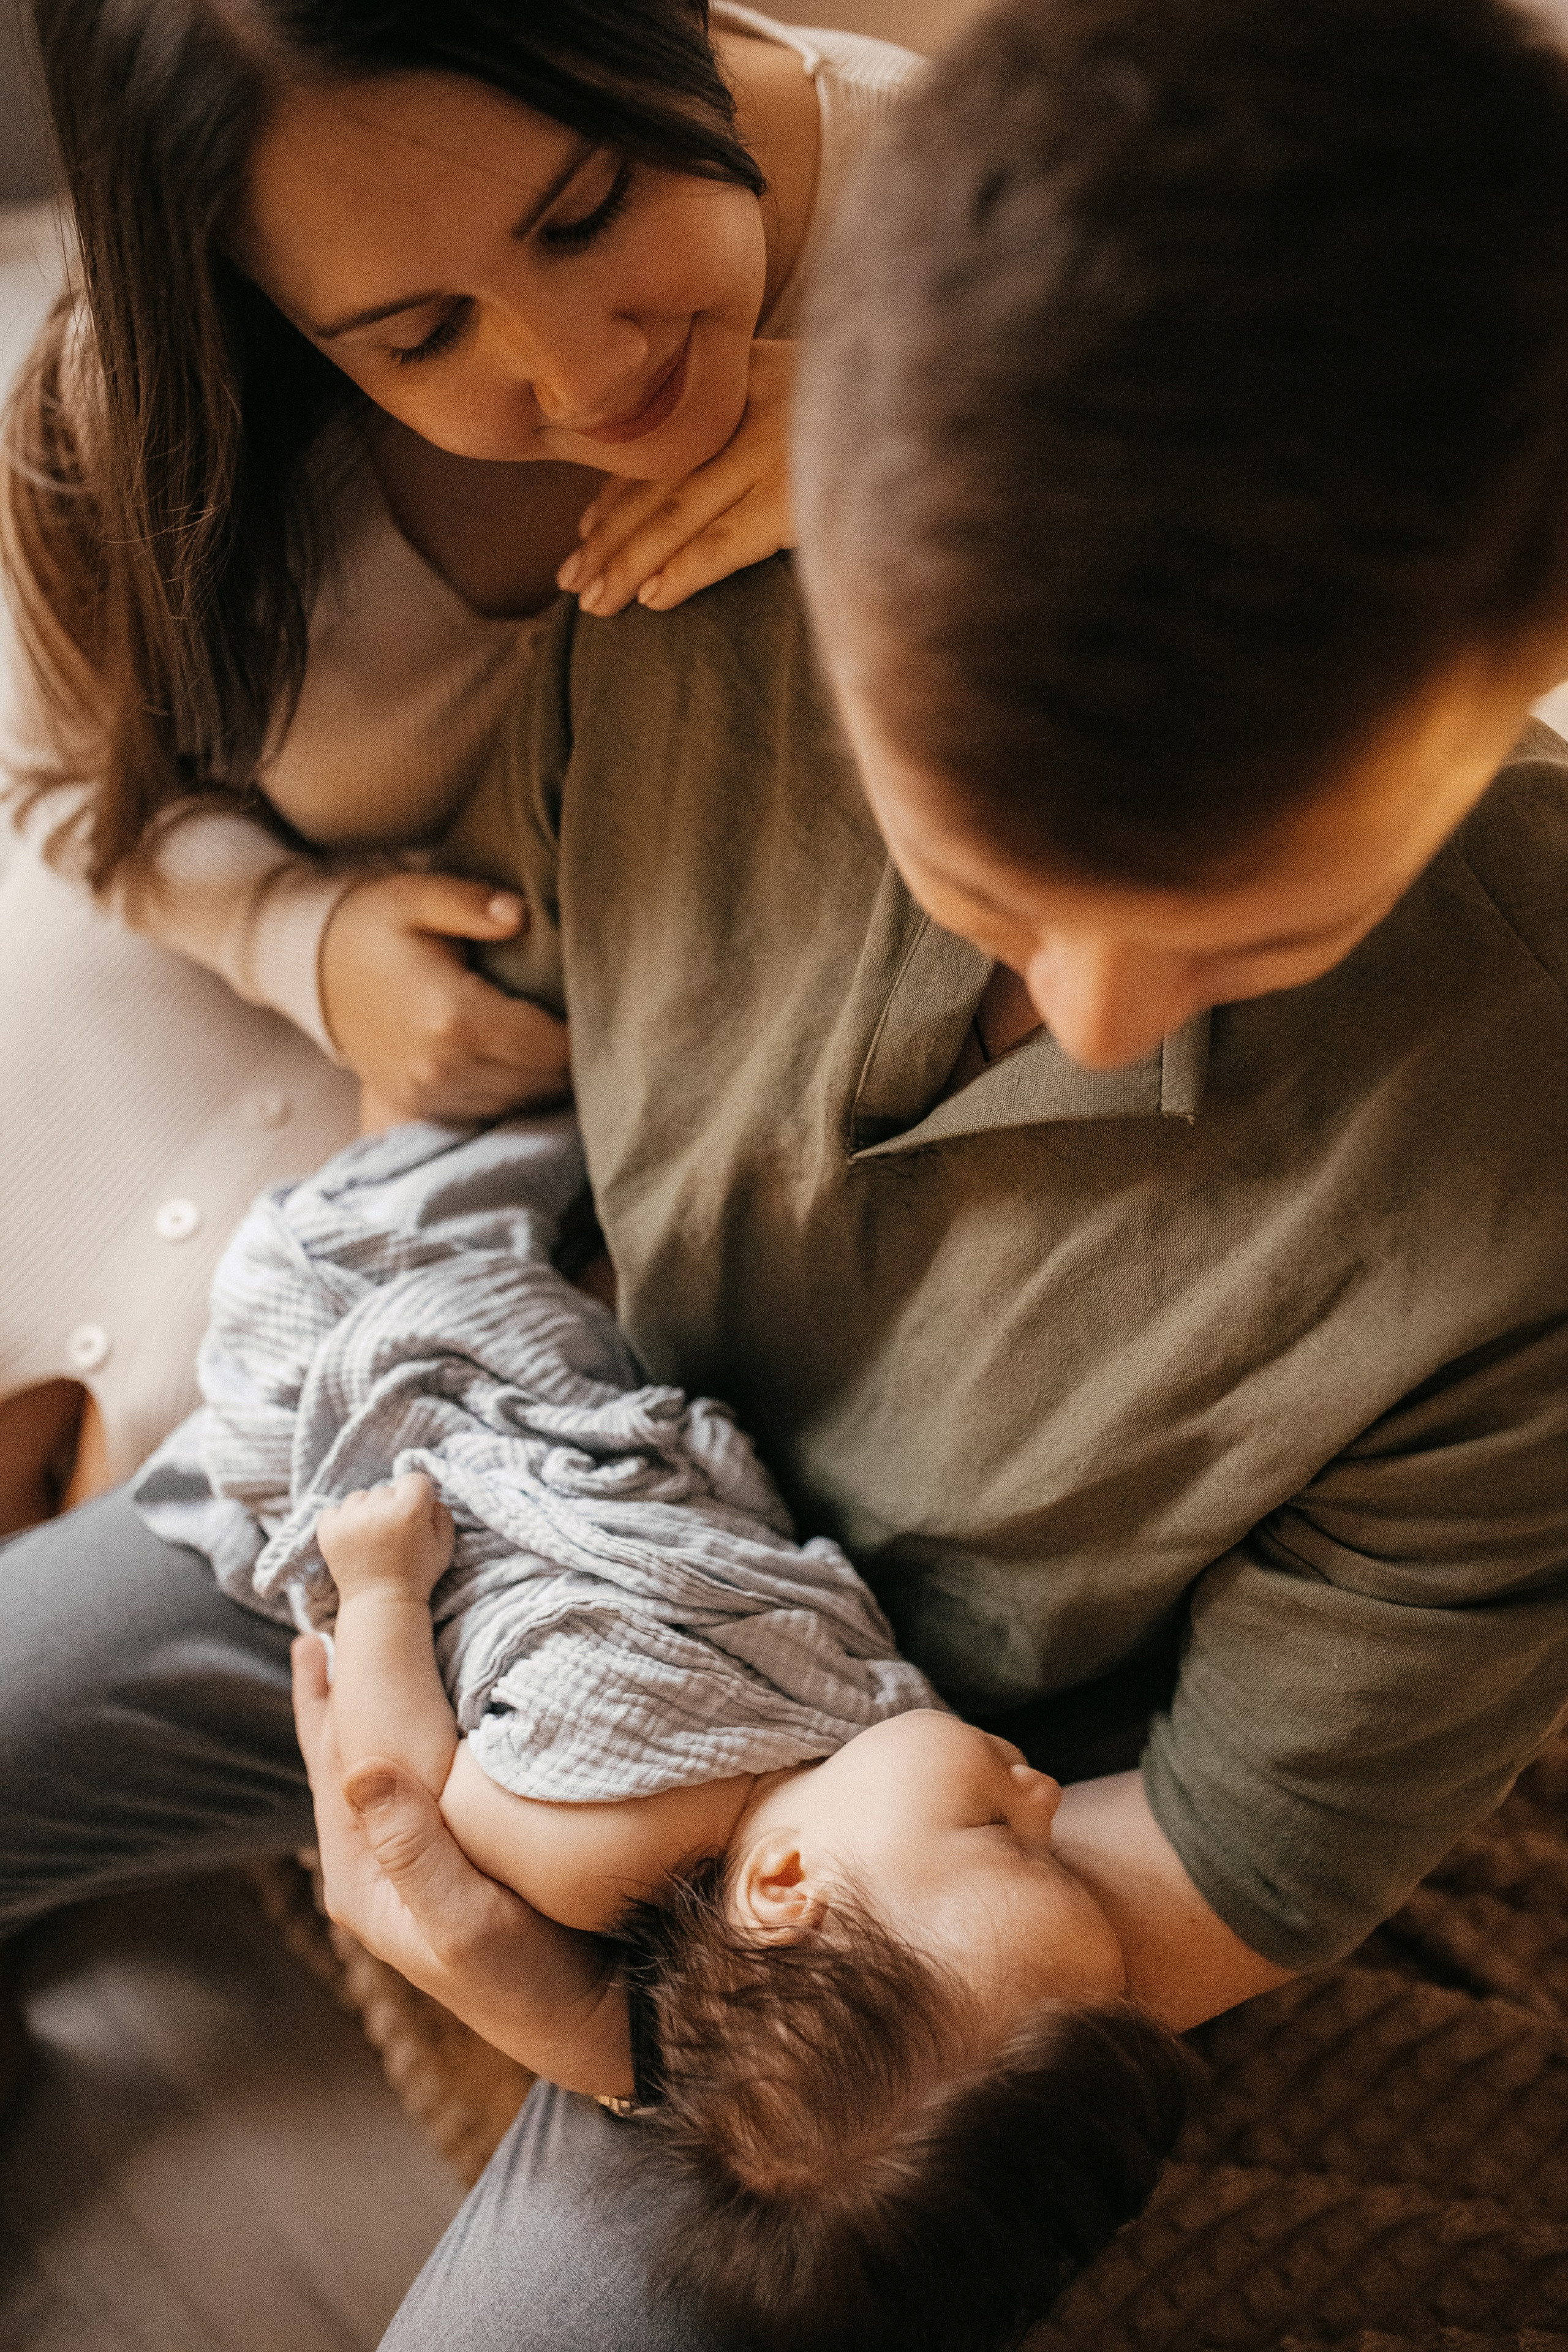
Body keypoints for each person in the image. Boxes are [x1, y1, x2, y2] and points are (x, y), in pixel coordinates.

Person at [6, 0, 1568, 2345]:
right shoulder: (694, 568)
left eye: (1265, 911)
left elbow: (1203, 1878)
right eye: (990, 869)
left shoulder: (1529, 1216)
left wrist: (582, 1996)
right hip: (517, 1463)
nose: (1122, 1020)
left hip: (899, 1872)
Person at [0, 0, 917, 1525]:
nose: (579, 375)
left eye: (587, 211)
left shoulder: (982, 214)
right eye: (418, 334)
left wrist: (964, 424)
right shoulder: (137, 422)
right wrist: (304, 938)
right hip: (169, 1012)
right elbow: (59, 783)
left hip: (552, 1209)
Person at [130, 1097, 1191, 2348]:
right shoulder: (848, 1759)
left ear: (788, 1884)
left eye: (1008, 1840)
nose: (1049, 1797)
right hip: (585, 1411)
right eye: (1054, 1847)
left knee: (432, 1204)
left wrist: (374, 1589)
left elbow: (397, 1783)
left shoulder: (603, 1828)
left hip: (408, 1427)